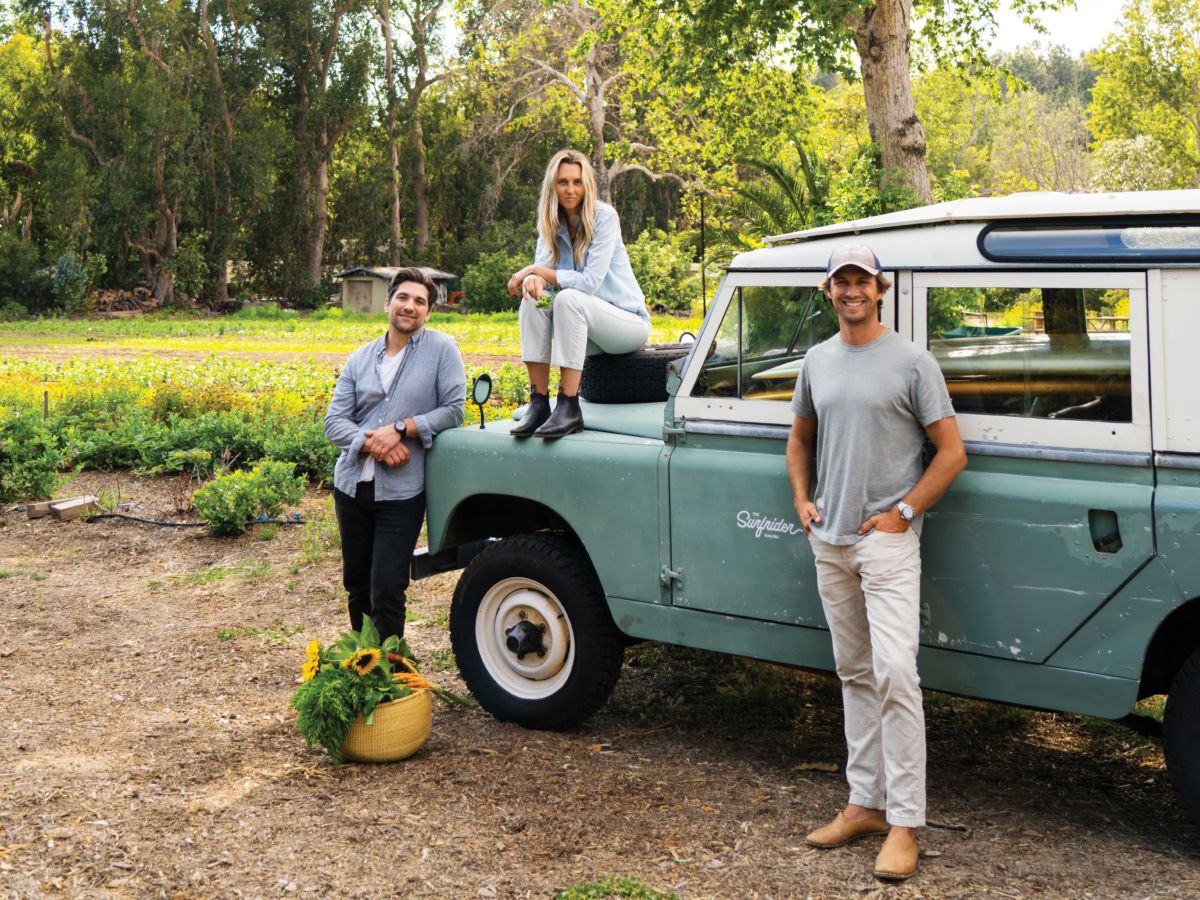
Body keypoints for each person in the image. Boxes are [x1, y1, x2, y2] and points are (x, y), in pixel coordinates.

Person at [786, 244, 966, 882]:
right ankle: (864, 802)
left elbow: (950, 452)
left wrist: (906, 513)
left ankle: (905, 823)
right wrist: (803, 500)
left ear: (881, 288)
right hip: (830, 539)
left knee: (895, 673)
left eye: (863, 280)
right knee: (854, 671)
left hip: (886, 540)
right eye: (842, 282)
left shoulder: (912, 362)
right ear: (828, 291)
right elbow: (800, 437)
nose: (852, 290)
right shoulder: (817, 360)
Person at [324, 267, 466, 644]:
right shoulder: (360, 358)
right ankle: (364, 662)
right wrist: (375, 443)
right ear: (387, 303)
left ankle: (391, 670)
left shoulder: (442, 350)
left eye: (420, 302)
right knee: (356, 584)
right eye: (403, 298)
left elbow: (454, 410)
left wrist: (402, 428)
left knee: (387, 585)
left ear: (428, 312)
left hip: (402, 494)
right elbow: (333, 423)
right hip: (352, 489)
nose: (410, 306)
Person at [506, 149, 650, 438]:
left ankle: (569, 406)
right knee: (533, 302)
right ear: (553, 186)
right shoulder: (550, 224)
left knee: (569, 298)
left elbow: (589, 283)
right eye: (563, 182)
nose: (570, 189)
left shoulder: (604, 218)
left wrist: (535, 270)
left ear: (587, 185)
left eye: (577, 181)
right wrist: (532, 281)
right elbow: (543, 279)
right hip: (582, 333)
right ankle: (538, 402)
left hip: (625, 324)